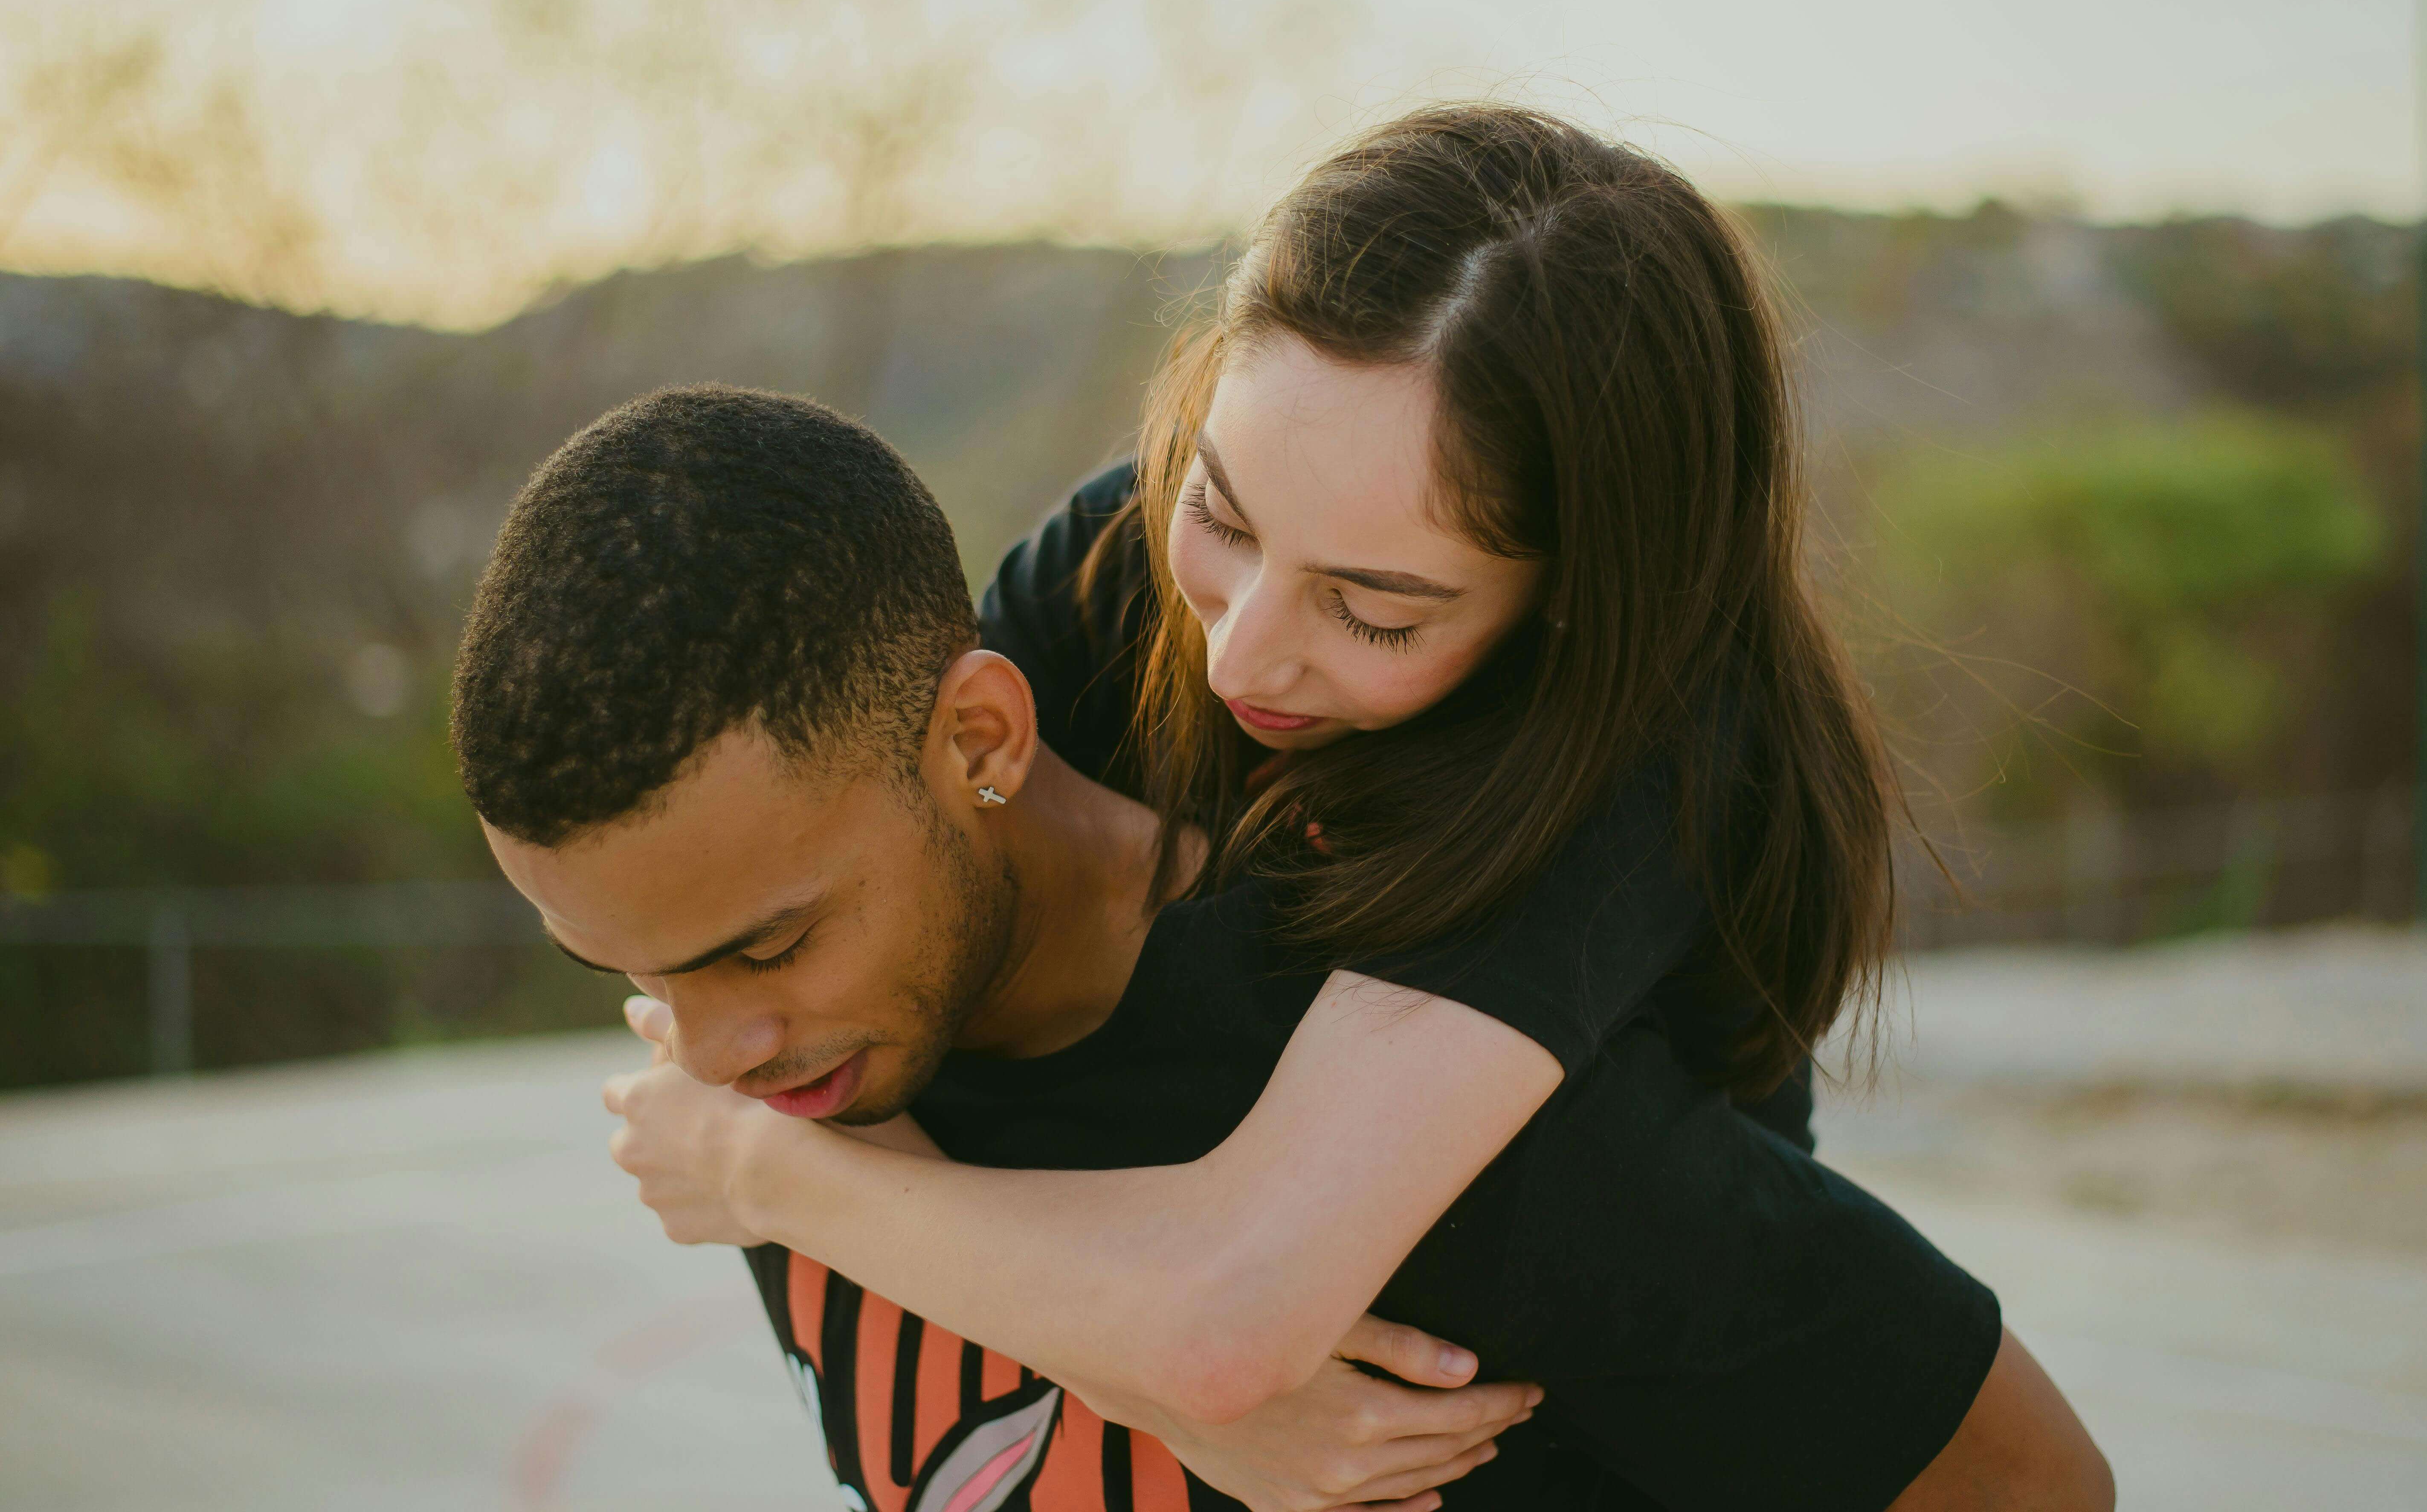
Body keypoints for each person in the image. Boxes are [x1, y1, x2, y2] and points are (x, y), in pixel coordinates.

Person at [455, 383, 2110, 1509]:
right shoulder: (803, 1091)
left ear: (978, 740)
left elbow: (2029, 1484)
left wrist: (1192, 1357)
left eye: (765, 945)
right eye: (638, 974)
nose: (707, 1050)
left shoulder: (1442, 1124)